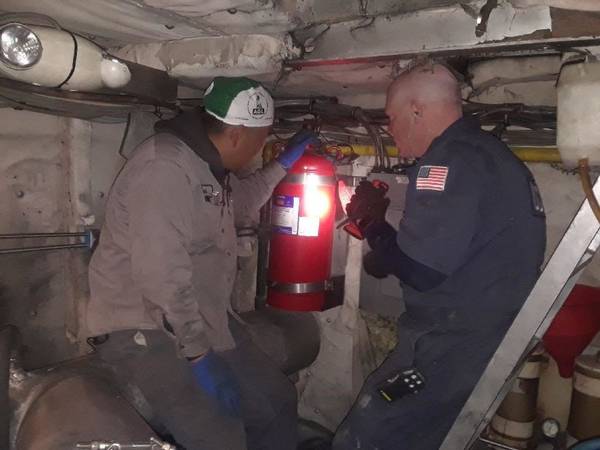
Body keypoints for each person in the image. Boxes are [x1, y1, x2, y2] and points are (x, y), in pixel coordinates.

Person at [85, 76, 317, 450]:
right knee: (219, 437)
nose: (261, 149)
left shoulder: (209, 165)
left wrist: (284, 164)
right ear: (239, 135)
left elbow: (239, 202)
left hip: (203, 316)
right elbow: (161, 274)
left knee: (275, 403)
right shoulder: (166, 168)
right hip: (145, 326)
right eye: (262, 140)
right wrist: (198, 354)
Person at [332, 62, 546, 449]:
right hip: (484, 333)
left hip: (451, 341)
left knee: (368, 432)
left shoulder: (447, 160)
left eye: (393, 119)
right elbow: (422, 256)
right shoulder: (490, 155)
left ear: (417, 110)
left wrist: (373, 223)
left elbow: (420, 270)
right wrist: (374, 229)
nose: (390, 130)